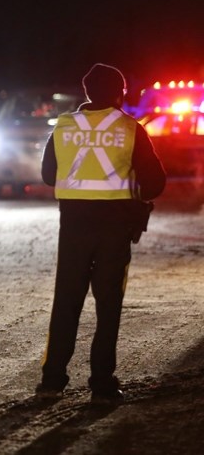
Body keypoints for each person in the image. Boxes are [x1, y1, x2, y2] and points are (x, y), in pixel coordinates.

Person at [36, 63, 166, 404]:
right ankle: (102, 385)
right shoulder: (130, 128)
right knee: (108, 307)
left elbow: (49, 176)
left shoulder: (63, 126)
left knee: (66, 302)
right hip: (115, 227)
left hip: (74, 226)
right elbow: (156, 183)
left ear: (87, 92)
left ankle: (51, 381)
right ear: (120, 92)